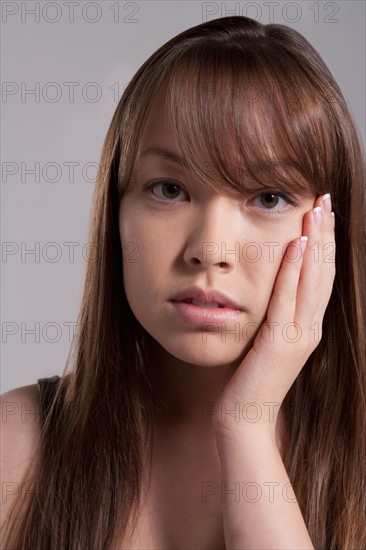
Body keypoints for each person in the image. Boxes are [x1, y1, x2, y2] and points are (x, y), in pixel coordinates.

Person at [1, 15, 365, 549]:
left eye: (268, 198)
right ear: (114, 213)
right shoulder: (16, 446)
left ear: (331, 229)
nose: (210, 250)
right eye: (169, 189)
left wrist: (248, 427)